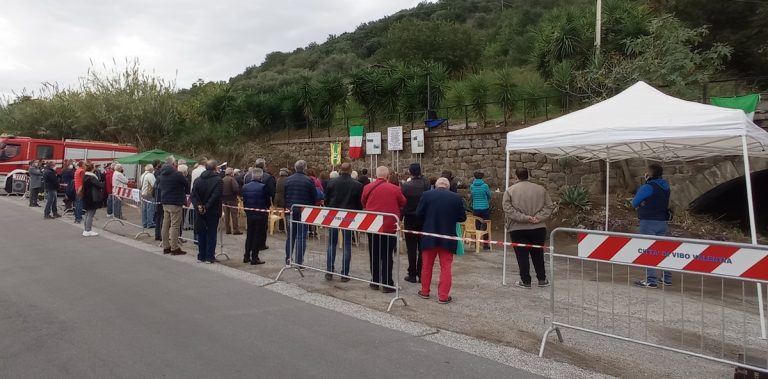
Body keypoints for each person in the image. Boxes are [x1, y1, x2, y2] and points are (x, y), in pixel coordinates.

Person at [416, 177, 467, 304]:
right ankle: (443, 296)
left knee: (427, 265)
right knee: (446, 267)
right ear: (448, 186)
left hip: (429, 235)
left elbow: (419, 214)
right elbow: (462, 218)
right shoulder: (456, 197)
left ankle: (425, 291)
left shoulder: (426, 195)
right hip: (448, 237)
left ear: (437, 185)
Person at [502, 167, 554, 289]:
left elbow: (508, 209)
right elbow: (549, 206)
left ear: (515, 176)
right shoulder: (541, 189)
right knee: (538, 254)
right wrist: (538, 217)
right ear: (529, 176)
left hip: (517, 228)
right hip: (538, 227)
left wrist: (525, 218)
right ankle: (542, 279)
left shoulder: (510, 191)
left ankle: (526, 281)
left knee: (522, 256)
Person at [362, 166, 406, 293]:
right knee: (387, 255)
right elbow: (403, 202)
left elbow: (363, 202)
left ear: (376, 175)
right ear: (387, 176)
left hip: (372, 225)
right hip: (389, 226)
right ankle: (387, 283)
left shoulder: (367, 187)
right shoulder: (395, 189)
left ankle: (375, 281)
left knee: (374, 253)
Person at [634, 164, 673, 289]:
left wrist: (643, 202)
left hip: (648, 222)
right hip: (662, 222)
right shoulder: (666, 187)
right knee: (662, 250)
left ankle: (651, 280)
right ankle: (667, 278)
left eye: (647, 172)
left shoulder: (648, 187)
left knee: (649, 250)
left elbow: (634, 202)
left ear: (650, 174)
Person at [324, 162, 363, 282]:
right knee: (347, 245)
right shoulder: (357, 185)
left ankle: (329, 271)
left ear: (340, 170)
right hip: (349, 216)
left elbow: (326, 200)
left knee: (332, 244)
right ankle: (344, 273)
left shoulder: (331, 182)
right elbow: (359, 204)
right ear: (351, 170)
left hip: (334, 215)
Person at [400, 163, 431, 283]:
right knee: (422, 248)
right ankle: (421, 273)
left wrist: (400, 218)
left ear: (410, 172)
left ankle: (412, 273)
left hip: (410, 218)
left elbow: (402, 204)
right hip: (423, 218)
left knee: (411, 248)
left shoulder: (406, 186)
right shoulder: (426, 184)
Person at [283, 160, 317, 265]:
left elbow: (285, 195)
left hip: (291, 210)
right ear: (305, 168)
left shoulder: (288, 180)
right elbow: (314, 196)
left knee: (291, 236)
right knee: (301, 236)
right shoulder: (309, 181)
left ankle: (288, 259)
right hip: (304, 211)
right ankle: (299, 261)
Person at [191, 160, 224, 264]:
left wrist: (199, 206)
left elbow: (193, 195)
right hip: (212, 210)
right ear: (215, 168)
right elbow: (216, 196)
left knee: (202, 233)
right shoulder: (218, 180)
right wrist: (206, 206)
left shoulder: (197, 180)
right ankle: (209, 257)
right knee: (211, 233)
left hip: (200, 210)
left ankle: (201, 255)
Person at [157, 156, 189, 256]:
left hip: (165, 201)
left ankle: (166, 246)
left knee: (165, 225)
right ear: (173, 164)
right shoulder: (177, 174)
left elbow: (158, 186)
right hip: (175, 202)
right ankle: (174, 247)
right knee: (175, 226)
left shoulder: (161, 174)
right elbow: (187, 185)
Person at [241, 168, 273, 265]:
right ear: (261, 177)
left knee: (249, 234)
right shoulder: (263, 187)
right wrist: (266, 208)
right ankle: (255, 257)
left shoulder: (245, 187)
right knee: (257, 236)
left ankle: (246, 255)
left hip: (250, 213)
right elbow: (268, 201)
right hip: (260, 214)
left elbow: (244, 200)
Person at [470, 171, 493, 250]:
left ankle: (477, 243)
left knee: (477, 226)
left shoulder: (472, 186)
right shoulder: (485, 186)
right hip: (485, 208)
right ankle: (485, 245)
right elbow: (489, 195)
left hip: (476, 208)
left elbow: (472, 197)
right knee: (485, 226)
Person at [81, 163, 104, 237]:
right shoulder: (92, 177)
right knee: (90, 214)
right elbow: (100, 185)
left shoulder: (85, 176)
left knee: (87, 213)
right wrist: (104, 183)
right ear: (92, 169)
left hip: (87, 196)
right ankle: (88, 230)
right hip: (92, 197)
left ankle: (86, 229)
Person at [222, 167, 242, 235]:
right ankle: (235, 230)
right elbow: (236, 189)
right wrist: (239, 194)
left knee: (226, 215)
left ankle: (227, 229)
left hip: (224, 200)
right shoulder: (232, 179)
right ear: (231, 173)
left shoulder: (222, 179)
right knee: (234, 215)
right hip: (232, 199)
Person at [140, 164, 156, 228]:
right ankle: (150, 223)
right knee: (150, 209)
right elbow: (154, 185)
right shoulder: (150, 175)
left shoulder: (142, 175)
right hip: (149, 194)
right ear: (151, 169)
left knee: (144, 209)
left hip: (143, 193)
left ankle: (144, 223)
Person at [152, 159, 164, 241]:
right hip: (160, 199)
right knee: (160, 217)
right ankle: (159, 235)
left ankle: (157, 234)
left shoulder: (155, 173)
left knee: (158, 217)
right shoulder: (158, 174)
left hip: (157, 198)